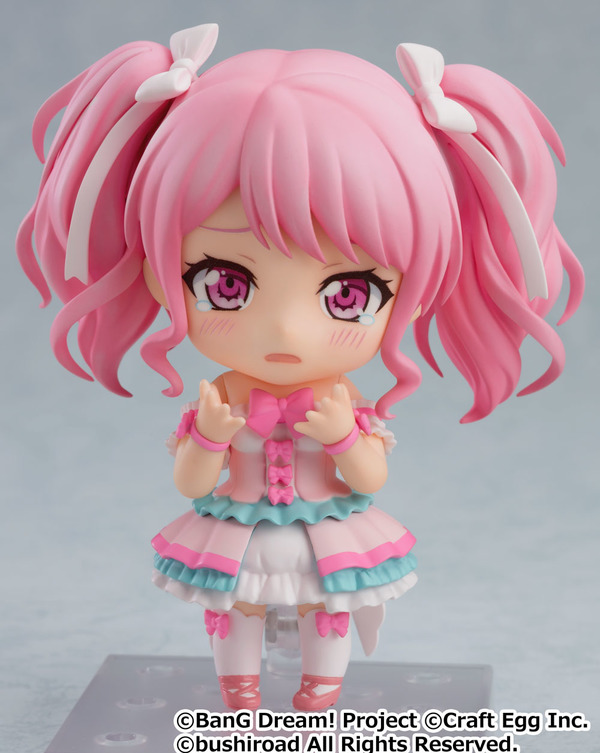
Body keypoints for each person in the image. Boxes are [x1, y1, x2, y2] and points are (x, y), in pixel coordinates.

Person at [16, 24, 583, 710]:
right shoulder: (223, 393)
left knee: (328, 607)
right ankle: (239, 691)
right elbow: (191, 481)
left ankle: (320, 691)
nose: (286, 330)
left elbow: (369, 478)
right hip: (239, 529)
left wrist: (344, 435)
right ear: (160, 275)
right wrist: (209, 437)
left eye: (349, 294)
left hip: (324, 530)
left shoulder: (342, 396)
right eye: (226, 284)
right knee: (234, 608)